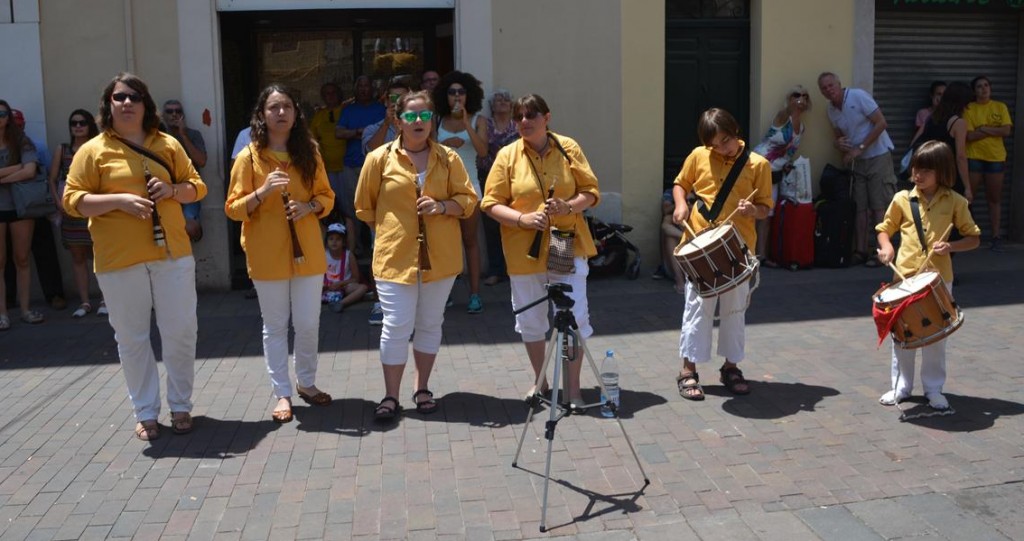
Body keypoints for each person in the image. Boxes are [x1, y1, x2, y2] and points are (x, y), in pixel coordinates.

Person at [63, 73, 206, 440]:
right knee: (132, 337)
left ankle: (181, 406)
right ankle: (145, 412)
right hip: (119, 257)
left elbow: (197, 187)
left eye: (134, 97)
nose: (127, 103)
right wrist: (119, 201)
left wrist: (173, 189)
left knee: (180, 331)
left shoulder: (168, 144)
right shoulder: (92, 150)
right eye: (119, 97)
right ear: (108, 106)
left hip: (171, 252)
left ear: (146, 105)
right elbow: (72, 201)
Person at [354, 90, 477, 422]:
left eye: (425, 115)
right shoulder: (378, 158)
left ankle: (422, 388)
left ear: (432, 120)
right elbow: (364, 208)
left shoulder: (449, 159)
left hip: (442, 258)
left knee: (429, 323)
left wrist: (441, 207)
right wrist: (398, 228)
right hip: (395, 256)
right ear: (398, 121)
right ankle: (390, 396)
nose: (418, 121)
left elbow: (468, 201)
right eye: (411, 116)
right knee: (395, 325)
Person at [481, 94, 601, 410]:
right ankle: (541, 381)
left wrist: (568, 206)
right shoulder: (507, 155)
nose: (524, 121)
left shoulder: (568, 147)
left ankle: (573, 390)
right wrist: (522, 219)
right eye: (519, 116)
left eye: (531, 114)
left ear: (546, 118)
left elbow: (590, 192)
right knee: (531, 319)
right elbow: (489, 203)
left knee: (572, 316)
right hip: (524, 250)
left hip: (565, 242)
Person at [226, 84, 336, 424]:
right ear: (262, 115)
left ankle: (306, 383)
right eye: (273, 107)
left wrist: (311, 206)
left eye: (286, 106)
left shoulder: (310, 153)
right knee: (275, 327)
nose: (281, 113)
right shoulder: (248, 157)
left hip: (308, 253)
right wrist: (262, 191)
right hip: (266, 254)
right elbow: (232, 208)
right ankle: (282, 394)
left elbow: (328, 197)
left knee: (307, 324)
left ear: (295, 113)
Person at [671, 108, 773, 401]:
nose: (721, 148)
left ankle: (731, 367)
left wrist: (753, 210)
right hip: (699, 243)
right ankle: (688, 369)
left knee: (733, 310)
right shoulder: (698, 155)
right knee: (696, 308)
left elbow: (766, 207)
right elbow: (681, 184)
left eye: (725, 141)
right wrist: (680, 204)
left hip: (737, 249)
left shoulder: (758, 165)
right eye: (714, 145)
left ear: (736, 131)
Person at [875, 140, 980, 410]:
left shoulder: (955, 201)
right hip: (905, 278)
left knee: (936, 336)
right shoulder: (902, 199)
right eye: (915, 169)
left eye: (925, 171)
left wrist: (952, 246)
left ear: (942, 171)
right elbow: (885, 229)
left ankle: (934, 388)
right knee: (902, 335)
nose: (917, 175)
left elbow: (973, 238)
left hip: (937, 278)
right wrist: (886, 247)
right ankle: (901, 387)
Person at [818, 72, 898, 267]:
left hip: (877, 156)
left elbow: (881, 123)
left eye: (831, 85)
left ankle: (881, 252)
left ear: (839, 84)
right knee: (860, 207)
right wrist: (840, 146)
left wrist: (859, 148)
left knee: (878, 206)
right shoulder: (831, 110)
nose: (829, 90)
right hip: (857, 162)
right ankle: (860, 250)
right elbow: (839, 137)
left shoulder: (858, 96)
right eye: (824, 88)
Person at [433, 71, 488, 314]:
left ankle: (474, 294)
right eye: (452, 92)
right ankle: (446, 295)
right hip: (443, 189)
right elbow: (431, 152)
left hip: (469, 187)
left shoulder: (478, 120)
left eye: (461, 92)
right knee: (445, 243)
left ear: (469, 95)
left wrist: (466, 124)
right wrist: (445, 146)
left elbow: (484, 151)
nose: (457, 96)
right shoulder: (437, 120)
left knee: (469, 240)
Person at [4, 109, 66, 312]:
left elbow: (38, 171)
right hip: (7, 207)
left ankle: (49, 297)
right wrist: (18, 168)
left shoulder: (32, 144)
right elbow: (26, 169)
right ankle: (7, 303)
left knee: (37, 254)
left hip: (32, 205)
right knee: (5, 260)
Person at [48, 109, 106, 318]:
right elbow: (53, 179)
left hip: (94, 210)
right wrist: (59, 204)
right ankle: (84, 302)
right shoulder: (62, 150)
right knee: (78, 256)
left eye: (82, 123)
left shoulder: (98, 147)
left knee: (99, 255)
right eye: (74, 123)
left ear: (90, 125)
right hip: (70, 212)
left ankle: (104, 299)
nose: (78, 126)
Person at [752, 85, 810, 266]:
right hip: (758, 166)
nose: (801, 99)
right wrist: (792, 105)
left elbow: (788, 152)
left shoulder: (802, 127)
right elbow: (788, 110)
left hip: (775, 172)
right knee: (751, 211)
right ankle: (747, 254)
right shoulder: (782, 117)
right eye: (796, 95)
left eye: (804, 96)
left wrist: (786, 165)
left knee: (767, 213)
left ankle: (762, 255)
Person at [0, 100, 45, 329]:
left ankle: (26, 309)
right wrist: (15, 169)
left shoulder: (21, 141)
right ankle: (2, 314)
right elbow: (23, 169)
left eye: (2, 113)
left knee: (22, 258)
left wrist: (2, 178)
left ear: (9, 117)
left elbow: (29, 170)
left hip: (21, 207)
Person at [335, 76, 386, 253]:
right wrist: (358, 132)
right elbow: (339, 132)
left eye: (367, 85)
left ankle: (377, 248)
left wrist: (365, 135)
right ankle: (355, 247)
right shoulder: (348, 110)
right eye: (360, 86)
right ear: (355, 89)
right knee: (352, 208)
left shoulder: (382, 109)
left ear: (372, 88)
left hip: (377, 166)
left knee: (377, 206)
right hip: (352, 166)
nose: (364, 89)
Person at [964, 75, 1012, 250]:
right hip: (974, 157)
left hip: (996, 158)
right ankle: (970, 235)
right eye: (979, 86)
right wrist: (994, 131)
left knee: (994, 198)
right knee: (968, 198)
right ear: (974, 90)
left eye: (986, 85)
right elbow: (969, 136)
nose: (983, 89)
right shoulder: (969, 109)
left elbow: (1006, 130)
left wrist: (983, 129)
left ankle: (996, 236)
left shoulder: (1000, 107)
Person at [477, 88, 519, 287]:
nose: (501, 102)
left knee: (514, 223)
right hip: (490, 177)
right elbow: (483, 147)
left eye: (506, 100)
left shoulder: (517, 125)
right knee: (491, 225)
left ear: (511, 105)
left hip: (515, 177)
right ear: (491, 106)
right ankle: (495, 269)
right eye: (498, 100)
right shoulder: (486, 124)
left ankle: (514, 267)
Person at [911, 81, 972, 197]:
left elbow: (915, 142)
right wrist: (967, 187)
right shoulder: (958, 123)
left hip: (929, 174)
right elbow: (960, 157)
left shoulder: (932, 117)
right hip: (949, 176)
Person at [161, 100, 207, 242]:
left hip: (188, 188)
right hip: (164, 189)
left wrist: (183, 135)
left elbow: (201, 161)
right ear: (163, 116)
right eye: (170, 111)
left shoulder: (193, 135)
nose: (174, 114)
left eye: (178, 111)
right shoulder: (158, 137)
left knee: (190, 228)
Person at [309, 83, 347, 222]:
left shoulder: (346, 110)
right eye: (327, 94)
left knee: (349, 207)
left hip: (346, 167)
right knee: (330, 206)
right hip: (326, 169)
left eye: (333, 93)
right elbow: (311, 140)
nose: (330, 96)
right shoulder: (318, 116)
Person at [322, 222, 367, 312]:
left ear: (343, 242)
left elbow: (355, 279)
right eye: (331, 239)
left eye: (338, 239)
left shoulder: (349, 255)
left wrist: (340, 284)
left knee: (363, 288)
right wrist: (324, 286)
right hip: (326, 287)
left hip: (344, 287)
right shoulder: (323, 255)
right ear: (327, 241)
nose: (334, 242)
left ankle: (341, 303)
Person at [362, 79, 411, 154]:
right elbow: (370, 152)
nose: (398, 102)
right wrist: (386, 123)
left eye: (403, 98)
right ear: (386, 102)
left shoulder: (419, 125)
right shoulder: (372, 129)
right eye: (394, 98)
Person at [654, 189, 686, 293]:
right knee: (670, 237)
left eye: (692, 201)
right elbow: (665, 222)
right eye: (687, 201)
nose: (688, 203)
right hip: (674, 267)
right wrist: (680, 203)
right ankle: (680, 282)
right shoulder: (671, 193)